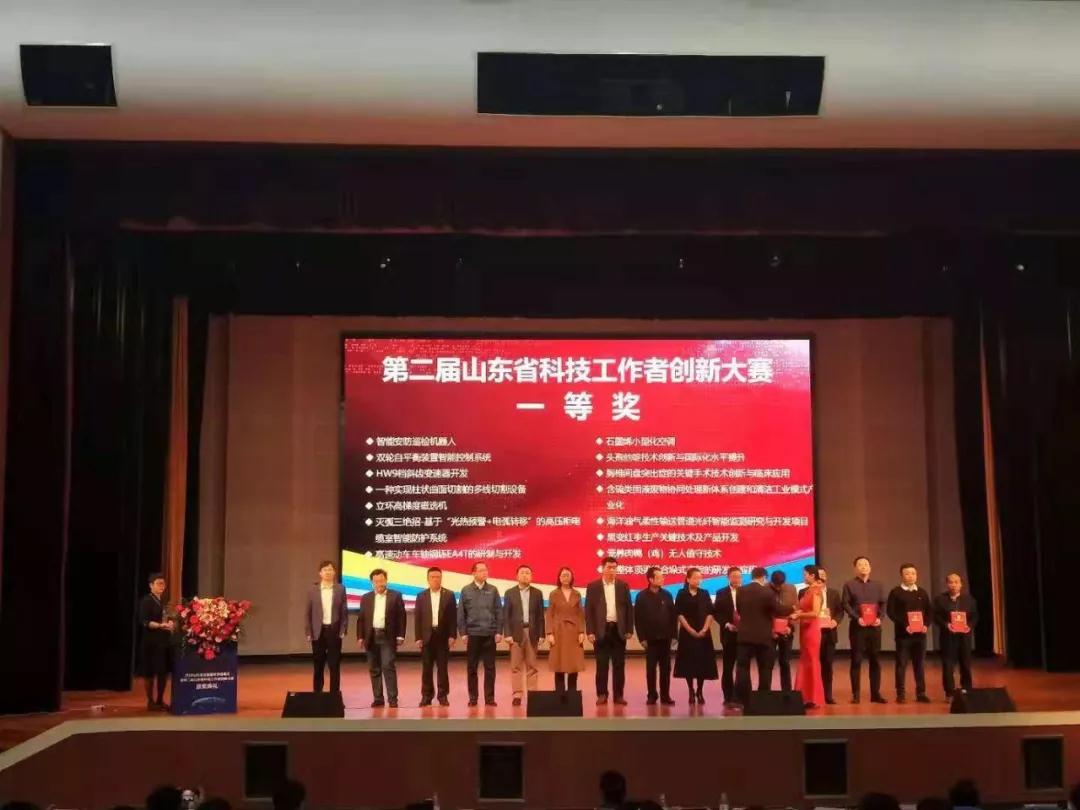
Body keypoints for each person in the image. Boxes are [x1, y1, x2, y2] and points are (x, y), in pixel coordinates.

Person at [734, 566, 794, 707]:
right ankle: (762, 699)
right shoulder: (767, 592)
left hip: (744, 635)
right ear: (763, 577)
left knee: (742, 668)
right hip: (763, 636)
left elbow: (739, 610)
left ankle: (744, 700)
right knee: (765, 668)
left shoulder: (740, 590)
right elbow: (778, 610)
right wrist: (793, 608)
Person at [585, 556, 634, 706]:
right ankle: (602, 694)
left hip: (618, 630)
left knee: (619, 665)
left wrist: (629, 629)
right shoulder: (593, 586)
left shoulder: (623, 586)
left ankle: (618, 695)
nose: (612, 570)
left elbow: (629, 608)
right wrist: (590, 631)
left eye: (614, 568)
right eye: (609, 567)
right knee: (602, 665)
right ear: (603, 568)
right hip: (601, 630)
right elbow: (589, 610)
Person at [356, 568, 407, 708]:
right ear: (372, 583)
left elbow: (401, 617)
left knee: (388, 666)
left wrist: (401, 635)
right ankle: (378, 698)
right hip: (371, 636)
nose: (379, 583)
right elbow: (361, 619)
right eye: (376, 581)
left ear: (386, 580)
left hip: (388, 636)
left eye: (382, 580)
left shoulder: (395, 596)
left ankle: (392, 698)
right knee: (374, 668)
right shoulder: (366, 598)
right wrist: (360, 637)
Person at [842, 556, 887, 704]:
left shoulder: (878, 585)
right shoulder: (849, 585)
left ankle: (875, 694)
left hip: (875, 627)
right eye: (860, 564)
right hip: (858, 627)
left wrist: (880, 617)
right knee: (856, 660)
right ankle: (856, 695)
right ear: (855, 568)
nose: (864, 566)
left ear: (870, 567)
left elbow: (883, 603)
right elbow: (846, 604)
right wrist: (857, 618)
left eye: (866, 564)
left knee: (875, 660)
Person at [886, 563, 933, 703]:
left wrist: (926, 625)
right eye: (907, 573)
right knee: (901, 664)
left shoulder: (922, 592)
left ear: (916, 575)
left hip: (920, 636)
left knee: (919, 665)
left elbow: (929, 611)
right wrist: (905, 625)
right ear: (902, 575)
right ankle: (900, 694)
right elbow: (891, 612)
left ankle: (921, 693)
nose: (910, 576)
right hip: (903, 636)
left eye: (913, 573)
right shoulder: (896, 592)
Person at [458, 561, 502, 707]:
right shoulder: (466, 590)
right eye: (481, 570)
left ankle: (489, 698)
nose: (485, 573)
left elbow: (499, 611)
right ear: (474, 573)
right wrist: (463, 633)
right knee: (472, 668)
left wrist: (499, 631)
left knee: (490, 668)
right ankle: (473, 698)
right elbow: (461, 613)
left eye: (486, 570)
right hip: (473, 634)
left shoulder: (493, 590)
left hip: (489, 634)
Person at [673, 567, 718, 704]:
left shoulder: (705, 593)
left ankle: (700, 690)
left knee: (702, 662)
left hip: (703, 631)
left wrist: (705, 629)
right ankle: (691, 690)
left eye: (700, 578)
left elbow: (710, 613)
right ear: (688, 579)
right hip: (687, 633)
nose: (698, 580)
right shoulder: (681, 593)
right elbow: (679, 614)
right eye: (695, 578)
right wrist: (690, 630)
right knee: (688, 663)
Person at [633, 566, 677, 705]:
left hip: (665, 638)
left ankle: (665, 695)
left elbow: (673, 617)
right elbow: (638, 619)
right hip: (650, 639)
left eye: (663, 576)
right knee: (651, 669)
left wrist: (674, 636)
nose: (663, 578)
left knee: (665, 669)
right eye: (659, 577)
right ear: (651, 579)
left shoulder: (667, 595)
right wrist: (642, 638)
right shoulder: (641, 596)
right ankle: (652, 695)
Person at [414, 566, 457, 707]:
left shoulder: (449, 595)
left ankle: (443, 696)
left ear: (441, 578)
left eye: (438, 577)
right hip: (427, 637)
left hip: (442, 637)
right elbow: (418, 618)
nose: (435, 579)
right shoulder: (421, 596)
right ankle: (426, 696)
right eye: (432, 577)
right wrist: (418, 637)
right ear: (428, 579)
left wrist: (452, 635)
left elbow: (453, 617)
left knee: (442, 669)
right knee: (426, 669)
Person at [504, 564, 545, 706]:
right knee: (515, 666)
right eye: (522, 573)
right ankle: (517, 694)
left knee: (532, 665)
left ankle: (533, 694)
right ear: (517, 576)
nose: (525, 575)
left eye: (528, 573)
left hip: (532, 632)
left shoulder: (537, 593)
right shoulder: (510, 593)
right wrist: (507, 633)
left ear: (531, 576)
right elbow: (506, 615)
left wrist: (542, 634)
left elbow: (540, 616)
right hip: (515, 632)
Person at [304, 560, 348, 694]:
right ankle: (317, 694)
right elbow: (308, 612)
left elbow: (344, 611)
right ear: (320, 573)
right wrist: (308, 631)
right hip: (318, 631)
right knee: (318, 664)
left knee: (334, 665)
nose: (328, 572)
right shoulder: (312, 590)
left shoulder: (340, 589)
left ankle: (334, 695)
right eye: (325, 570)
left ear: (334, 572)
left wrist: (343, 629)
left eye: (330, 570)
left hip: (334, 631)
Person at [933, 572, 978, 698]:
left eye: (956, 582)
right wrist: (946, 625)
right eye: (951, 582)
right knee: (948, 665)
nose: (953, 585)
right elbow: (935, 616)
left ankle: (966, 690)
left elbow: (975, 616)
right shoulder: (940, 599)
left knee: (966, 664)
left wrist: (969, 626)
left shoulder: (969, 600)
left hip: (964, 637)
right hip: (948, 638)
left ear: (961, 584)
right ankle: (949, 692)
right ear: (947, 584)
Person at [546, 566, 586, 695]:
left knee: (574, 665)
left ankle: (572, 695)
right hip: (558, 632)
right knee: (559, 665)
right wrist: (549, 633)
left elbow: (580, 614)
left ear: (571, 577)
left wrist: (581, 631)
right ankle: (560, 694)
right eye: (563, 575)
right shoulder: (554, 594)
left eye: (567, 575)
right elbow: (549, 614)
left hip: (574, 632)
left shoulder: (577, 594)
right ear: (559, 578)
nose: (565, 578)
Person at [138, 573, 175, 711]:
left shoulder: (163, 601)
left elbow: (167, 617)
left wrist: (170, 624)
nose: (161, 586)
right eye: (158, 583)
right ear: (151, 585)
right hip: (151, 643)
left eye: (163, 584)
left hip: (163, 642)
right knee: (149, 673)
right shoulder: (146, 601)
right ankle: (150, 701)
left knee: (163, 672)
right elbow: (145, 622)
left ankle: (160, 700)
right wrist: (160, 625)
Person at [791, 564, 825, 709]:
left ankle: (814, 697)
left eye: (805, 574)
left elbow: (815, 613)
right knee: (806, 660)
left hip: (811, 629)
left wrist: (799, 615)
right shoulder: (808, 590)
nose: (803, 577)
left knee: (811, 660)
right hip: (805, 629)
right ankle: (805, 696)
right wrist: (796, 611)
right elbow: (803, 608)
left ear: (812, 575)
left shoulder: (816, 590)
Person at [713, 566, 743, 707]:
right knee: (728, 666)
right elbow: (717, 613)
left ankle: (740, 695)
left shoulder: (746, 592)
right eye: (734, 576)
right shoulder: (721, 593)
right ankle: (728, 696)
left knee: (742, 667)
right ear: (728, 577)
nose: (737, 579)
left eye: (739, 577)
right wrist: (726, 624)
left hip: (744, 634)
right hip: (728, 633)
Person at [817, 566, 844, 705]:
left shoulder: (834, 593)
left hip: (829, 634)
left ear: (826, 577)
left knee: (828, 664)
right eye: (818, 574)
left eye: (823, 574)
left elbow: (840, 611)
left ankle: (828, 695)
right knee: (814, 665)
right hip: (814, 633)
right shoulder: (804, 592)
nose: (821, 577)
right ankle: (815, 694)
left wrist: (835, 621)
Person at [770, 570, 798, 692]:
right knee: (768, 663)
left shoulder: (791, 588)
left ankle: (787, 692)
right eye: (775, 585)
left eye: (780, 585)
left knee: (785, 662)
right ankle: (765, 693)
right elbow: (762, 612)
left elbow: (796, 609)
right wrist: (770, 629)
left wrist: (790, 627)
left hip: (786, 630)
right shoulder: (765, 589)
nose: (778, 587)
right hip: (770, 632)